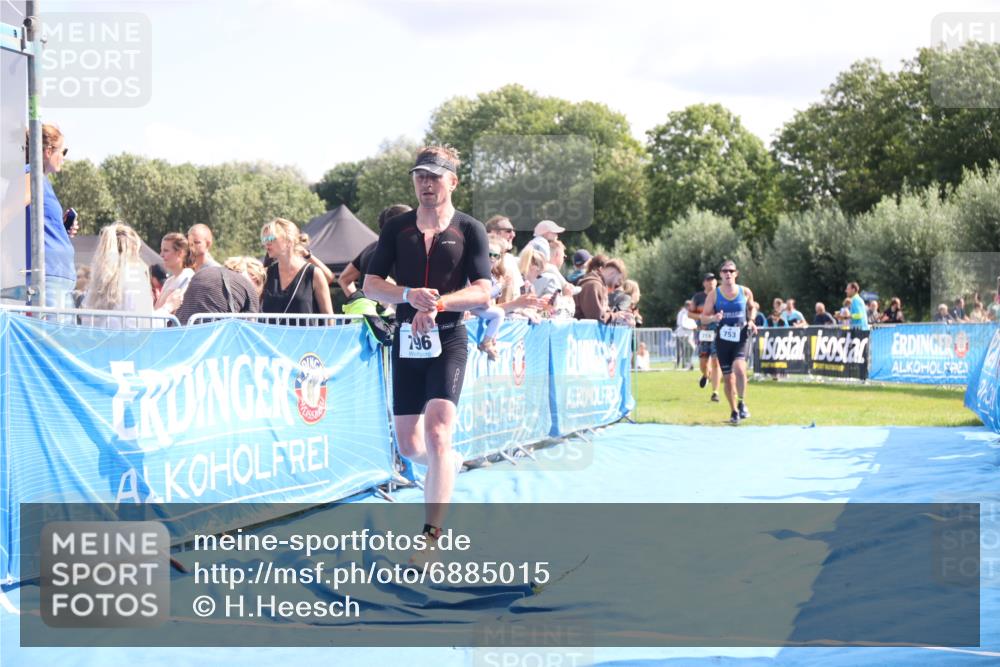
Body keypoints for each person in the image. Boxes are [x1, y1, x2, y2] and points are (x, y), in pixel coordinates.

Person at [363, 145, 492, 561]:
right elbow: (370, 285)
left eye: (435, 177)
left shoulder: (471, 229)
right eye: (420, 176)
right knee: (409, 445)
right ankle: (446, 464)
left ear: (452, 181)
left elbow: (484, 291)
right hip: (406, 339)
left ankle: (430, 539)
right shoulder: (397, 229)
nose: (426, 183)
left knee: (438, 432)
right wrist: (406, 295)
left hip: (450, 336)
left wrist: (437, 304)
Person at [24, 124, 75, 310]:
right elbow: (7, 213)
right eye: (64, 151)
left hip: (55, 276)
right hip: (47, 276)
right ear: (48, 151)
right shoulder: (32, 174)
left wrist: (60, 228)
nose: (63, 157)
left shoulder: (40, 179)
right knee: (52, 336)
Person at [700, 260, 758, 425]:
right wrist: (713, 317)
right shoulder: (715, 294)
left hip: (741, 336)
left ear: (736, 274)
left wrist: (751, 321)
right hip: (723, 339)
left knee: (740, 369)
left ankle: (741, 402)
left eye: (731, 271)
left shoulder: (745, 291)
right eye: (725, 271)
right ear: (720, 275)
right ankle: (733, 411)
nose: (728, 274)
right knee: (728, 378)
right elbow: (704, 317)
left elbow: (752, 307)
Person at [260, 218, 334, 324]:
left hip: (307, 339)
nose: (266, 244)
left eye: (271, 238)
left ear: (288, 241)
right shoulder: (265, 274)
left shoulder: (314, 274)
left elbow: (329, 319)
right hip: (272, 340)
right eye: (264, 240)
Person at [82, 223, 154, 328]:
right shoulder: (135, 276)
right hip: (127, 341)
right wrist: (167, 307)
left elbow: (87, 320)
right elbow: (145, 321)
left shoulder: (98, 279)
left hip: (99, 341)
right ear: (134, 248)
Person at [339, 204, 412, 298]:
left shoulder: (370, 249)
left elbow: (344, 279)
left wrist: (358, 301)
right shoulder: (403, 251)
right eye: (413, 220)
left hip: (370, 309)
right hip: (396, 310)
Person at [175, 263, 260, 325]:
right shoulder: (247, 286)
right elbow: (251, 324)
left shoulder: (203, 273)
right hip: (217, 336)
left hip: (183, 330)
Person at [468, 241, 507, 360]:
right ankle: (486, 343)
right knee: (499, 313)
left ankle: (488, 341)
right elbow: (481, 295)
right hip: (467, 306)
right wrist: (499, 287)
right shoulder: (473, 269)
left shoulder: (493, 277)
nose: (492, 258)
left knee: (499, 313)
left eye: (496, 256)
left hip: (477, 307)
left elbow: (489, 300)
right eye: (489, 254)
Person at [690, 273, 722, 402]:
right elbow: (689, 313)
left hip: (717, 332)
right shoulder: (698, 297)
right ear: (704, 283)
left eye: (713, 279)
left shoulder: (721, 295)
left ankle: (715, 392)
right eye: (708, 280)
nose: (711, 282)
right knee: (703, 362)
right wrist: (703, 318)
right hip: (703, 331)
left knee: (716, 361)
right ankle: (705, 374)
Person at [573, 254, 631, 324]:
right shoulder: (593, 285)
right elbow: (596, 317)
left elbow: (602, 314)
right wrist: (616, 316)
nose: (616, 285)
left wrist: (622, 316)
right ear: (611, 274)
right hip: (584, 333)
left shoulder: (598, 285)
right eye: (618, 280)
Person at [154, 232, 195, 318]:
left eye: (166, 250)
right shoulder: (169, 280)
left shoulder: (187, 276)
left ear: (180, 253)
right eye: (161, 250)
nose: (161, 255)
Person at [484, 215, 523, 299]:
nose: (513, 235)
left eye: (513, 231)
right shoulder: (486, 262)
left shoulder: (510, 258)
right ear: (493, 232)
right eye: (508, 231)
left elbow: (519, 293)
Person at [676, 300, 697, 369]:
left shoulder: (689, 313)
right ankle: (687, 363)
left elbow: (692, 322)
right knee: (690, 348)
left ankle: (687, 363)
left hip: (689, 335)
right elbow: (681, 324)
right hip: (683, 334)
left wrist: (695, 326)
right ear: (688, 306)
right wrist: (692, 327)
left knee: (688, 349)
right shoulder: (682, 313)